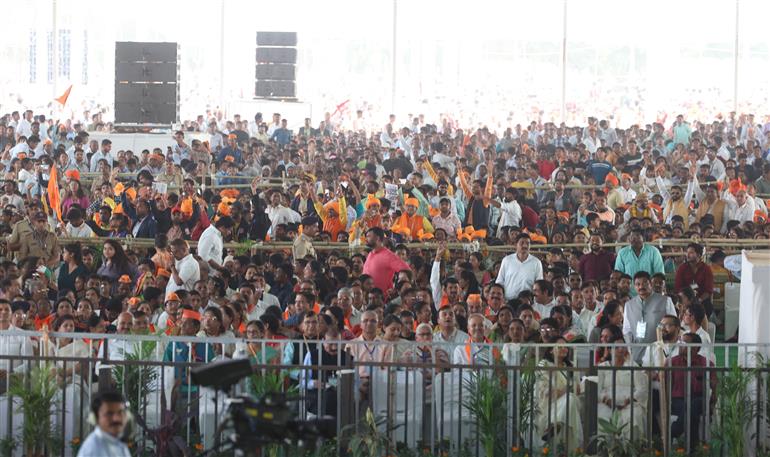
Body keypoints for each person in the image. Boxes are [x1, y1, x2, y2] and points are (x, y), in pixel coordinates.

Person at [534, 335, 582, 452]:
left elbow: (578, 389)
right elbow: (547, 391)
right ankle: (557, 427)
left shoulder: (571, 366)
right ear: (551, 350)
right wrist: (568, 389)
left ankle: (556, 426)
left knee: (570, 400)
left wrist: (566, 390)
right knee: (570, 399)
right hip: (548, 404)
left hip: (567, 404)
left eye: (565, 346)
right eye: (560, 346)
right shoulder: (544, 364)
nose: (564, 349)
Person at [596, 335, 648, 440]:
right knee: (603, 417)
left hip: (629, 403)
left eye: (623, 346)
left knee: (633, 416)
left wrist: (628, 400)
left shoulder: (632, 365)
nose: (621, 349)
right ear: (610, 350)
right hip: (608, 403)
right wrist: (607, 400)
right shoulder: (603, 367)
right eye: (617, 347)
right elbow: (597, 389)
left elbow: (642, 388)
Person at [623, 271, 677, 363]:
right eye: (637, 284)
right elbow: (627, 330)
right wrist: (629, 349)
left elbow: (674, 326)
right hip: (636, 352)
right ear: (634, 286)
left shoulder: (665, 301)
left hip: (659, 352)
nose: (641, 287)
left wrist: (668, 347)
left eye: (644, 283)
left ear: (651, 284)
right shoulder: (629, 305)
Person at [77, 391, 131, 457]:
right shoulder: (93, 448)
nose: (116, 418)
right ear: (96, 418)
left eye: (120, 412)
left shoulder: (118, 442)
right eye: (109, 413)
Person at [362, 228, 411, 296]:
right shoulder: (370, 254)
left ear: (377, 238)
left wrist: (396, 289)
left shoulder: (388, 255)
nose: (366, 239)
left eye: (369, 236)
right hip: (368, 298)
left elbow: (406, 270)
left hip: (382, 299)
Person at [496, 233, 544, 300]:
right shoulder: (507, 260)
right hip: (509, 300)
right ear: (516, 245)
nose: (525, 245)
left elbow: (539, 285)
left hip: (528, 302)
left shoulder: (536, 262)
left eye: (527, 243)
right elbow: (500, 281)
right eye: (522, 243)